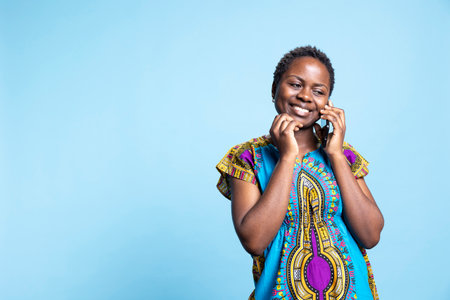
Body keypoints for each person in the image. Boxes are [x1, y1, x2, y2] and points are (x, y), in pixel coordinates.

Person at [215, 46, 384, 300]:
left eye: (318, 91)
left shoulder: (344, 155)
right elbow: (254, 241)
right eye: (295, 84)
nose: (305, 96)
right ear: (274, 89)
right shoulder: (248, 158)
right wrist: (286, 157)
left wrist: (336, 155)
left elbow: (370, 235)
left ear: (327, 103)